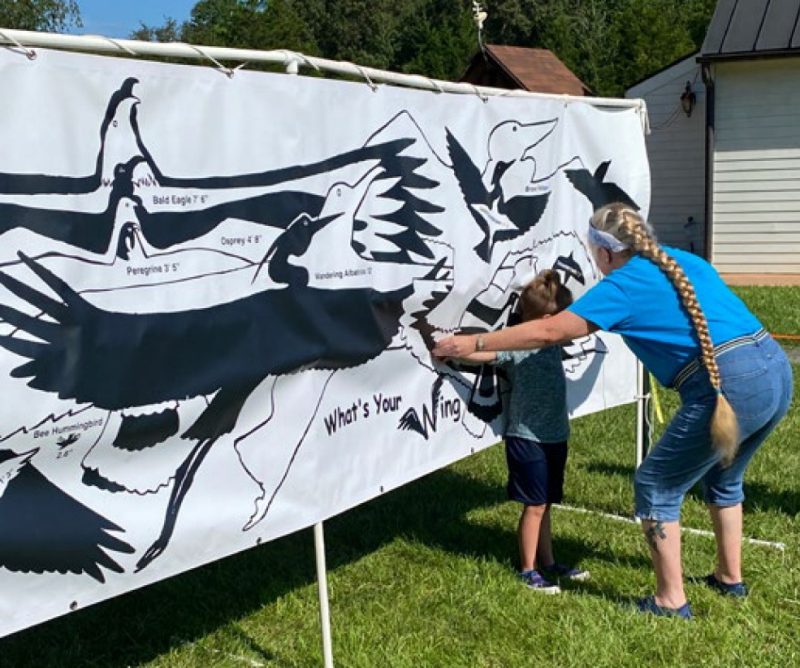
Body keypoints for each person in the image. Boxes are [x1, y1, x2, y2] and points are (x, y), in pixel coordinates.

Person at [433, 202, 793, 618]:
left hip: (731, 384)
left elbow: (550, 330)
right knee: (725, 478)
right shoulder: (682, 260)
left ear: (605, 253)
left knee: (656, 487)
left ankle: (669, 600)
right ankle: (730, 579)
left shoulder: (623, 285)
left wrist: (473, 343)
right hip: (776, 371)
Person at [451, 269, 589, 593]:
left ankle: (549, 562)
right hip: (527, 438)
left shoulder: (555, 340)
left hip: (556, 435)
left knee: (546, 503)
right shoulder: (518, 343)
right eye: (561, 317)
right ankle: (528, 569)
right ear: (546, 318)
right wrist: (455, 349)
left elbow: (582, 327)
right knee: (535, 505)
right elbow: (485, 353)